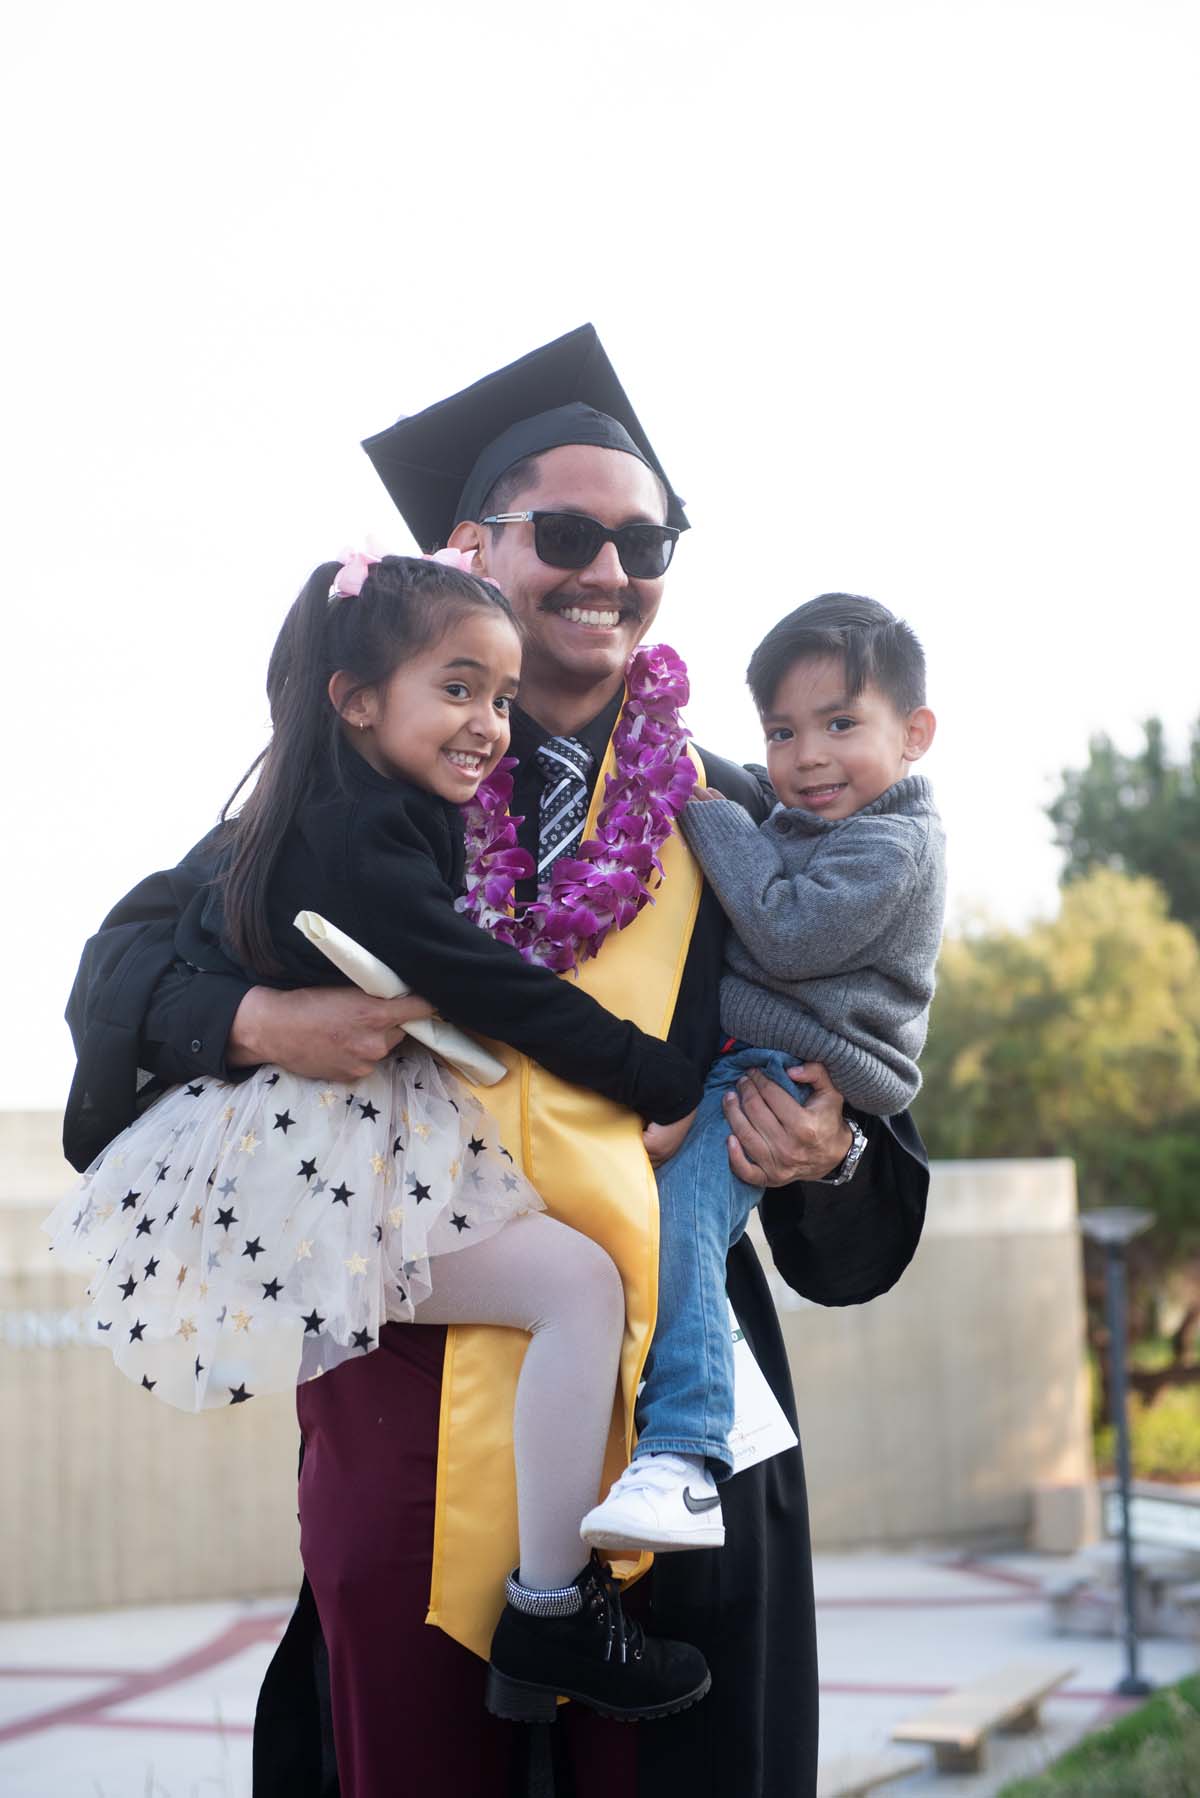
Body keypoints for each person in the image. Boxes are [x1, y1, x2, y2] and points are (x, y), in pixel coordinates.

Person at [64, 327, 931, 1798]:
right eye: (570, 531)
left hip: (679, 1415)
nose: (611, 566)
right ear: (471, 547)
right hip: (412, 1390)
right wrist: (256, 1023)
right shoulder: (354, 798)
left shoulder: (746, 826)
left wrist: (831, 1153)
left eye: (644, 536)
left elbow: (870, 1153)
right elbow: (123, 969)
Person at [51, 545, 715, 1720]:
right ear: (355, 698)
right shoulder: (361, 835)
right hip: (307, 1165)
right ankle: (555, 1612)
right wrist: (655, 1073)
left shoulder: (342, 811)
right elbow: (486, 981)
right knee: (577, 1289)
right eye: (458, 689)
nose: (489, 726)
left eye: (499, 699)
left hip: (314, 1163)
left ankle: (548, 1607)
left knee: (564, 1290)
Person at [581, 593, 945, 1554]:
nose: (808, 756)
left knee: (684, 1218)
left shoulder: (892, 841)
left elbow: (785, 931)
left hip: (788, 1069)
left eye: (839, 725)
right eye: (782, 732)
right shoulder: (799, 816)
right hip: (743, 1059)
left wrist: (701, 807)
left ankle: (688, 1453)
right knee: (652, 1213)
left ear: (915, 735)